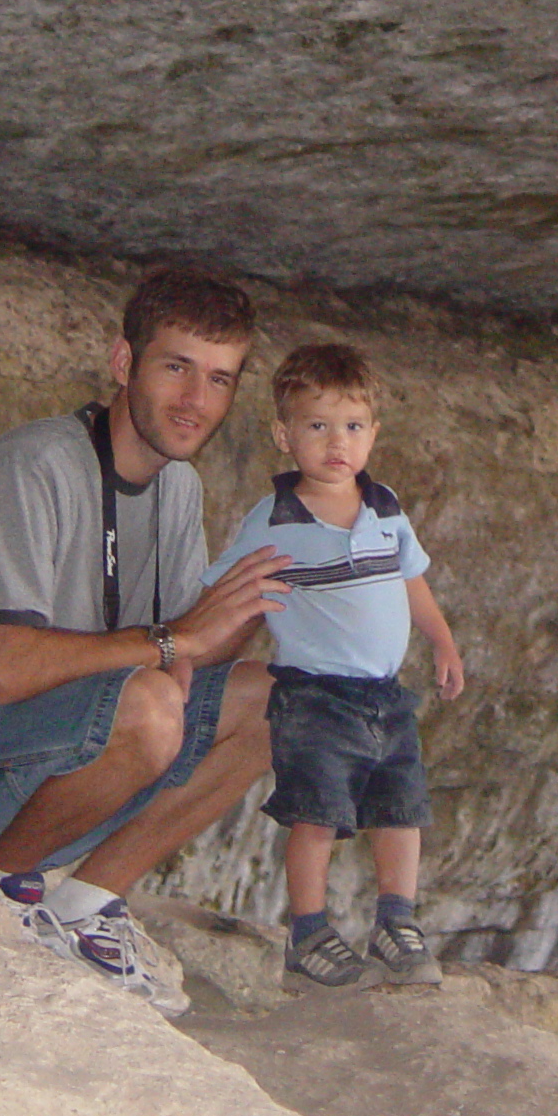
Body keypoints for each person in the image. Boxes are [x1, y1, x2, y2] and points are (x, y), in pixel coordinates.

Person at [0, 269, 290, 1016]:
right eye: (175, 368)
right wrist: (175, 640)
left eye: (218, 379)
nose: (195, 401)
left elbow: (183, 657)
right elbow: (5, 672)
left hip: (43, 768)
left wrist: (268, 592)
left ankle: (83, 904)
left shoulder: (178, 489)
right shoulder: (38, 465)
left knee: (284, 703)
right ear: (123, 364)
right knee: (147, 708)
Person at [206, 341, 465, 993]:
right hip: (314, 693)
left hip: (384, 692)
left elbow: (413, 582)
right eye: (317, 426)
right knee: (316, 814)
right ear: (284, 435)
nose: (335, 442)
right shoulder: (275, 520)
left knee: (400, 810)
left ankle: (396, 921)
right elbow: (226, 589)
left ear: (373, 434)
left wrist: (442, 641)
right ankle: (309, 929)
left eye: (351, 426)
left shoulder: (385, 507)